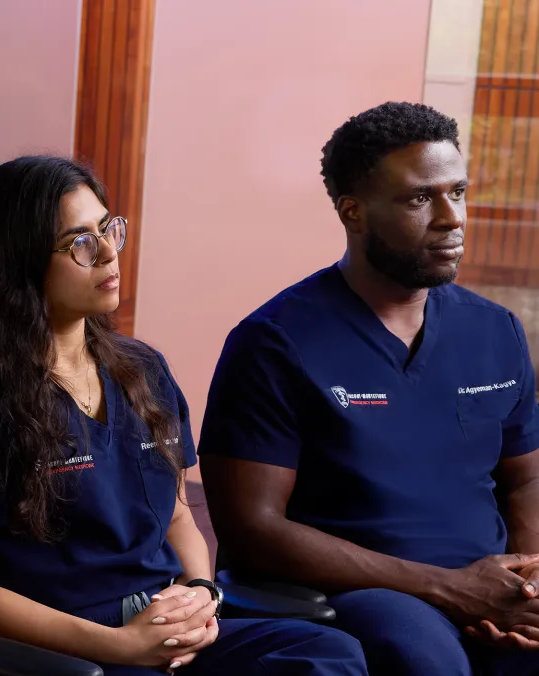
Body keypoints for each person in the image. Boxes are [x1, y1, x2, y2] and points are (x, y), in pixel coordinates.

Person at [0, 156, 368, 675]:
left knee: (328, 652)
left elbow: (176, 517)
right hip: (74, 649)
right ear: (17, 263)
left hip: (164, 628)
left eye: (107, 229)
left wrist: (201, 597)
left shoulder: (142, 369)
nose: (108, 253)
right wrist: (118, 646)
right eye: (79, 242)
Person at [198, 101, 539, 675]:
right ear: (352, 212)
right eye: (418, 198)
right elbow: (253, 530)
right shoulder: (274, 343)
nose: (451, 217)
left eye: (458, 192)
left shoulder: (495, 330)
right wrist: (448, 588)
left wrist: (528, 577)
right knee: (425, 660)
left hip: (490, 580)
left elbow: (527, 476)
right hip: (364, 591)